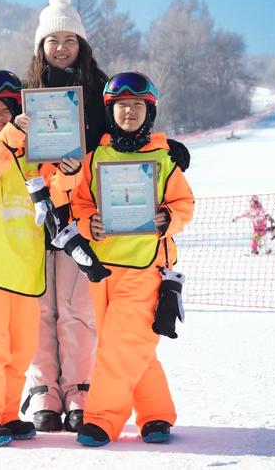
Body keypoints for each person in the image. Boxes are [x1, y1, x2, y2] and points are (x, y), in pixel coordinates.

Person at [0, 0, 191, 434]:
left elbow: (128, 125)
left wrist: (164, 147)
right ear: (41, 47)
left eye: (69, 40)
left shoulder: (100, 91)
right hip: (33, 218)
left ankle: (81, 388)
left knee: (77, 308)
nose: (61, 48)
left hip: (82, 213)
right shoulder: (24, 93)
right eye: (53, 41)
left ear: (82, 45)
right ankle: (43, 392)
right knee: (37, 310)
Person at [0, 70, 83, 447]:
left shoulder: (29, 159)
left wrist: (69, 174)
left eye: (5, 110)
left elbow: (56, 195)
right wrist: (12, 137)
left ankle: (5, 415)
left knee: (18, 352)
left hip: (25, 275)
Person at [71, 71, 194, 447]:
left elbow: (184, 204)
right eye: (122, 106)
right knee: (133, 345)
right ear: (111, 111)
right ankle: (156, 414)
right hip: (103, 270)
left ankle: (101, 420)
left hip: (145, 267)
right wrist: (88, 224)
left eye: (137, 106)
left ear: (149, 112)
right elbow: (79, 204)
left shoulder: (164, 158)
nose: (129, 112)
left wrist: (167, 219)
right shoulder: (95, 159)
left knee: (119, 346)